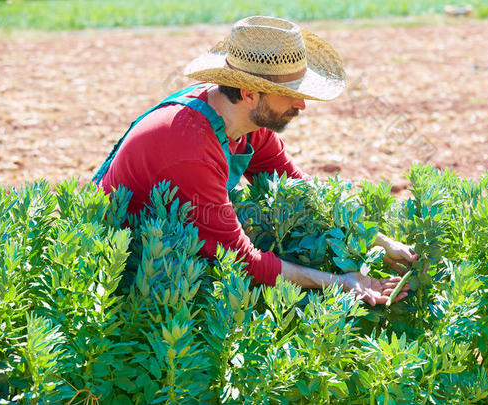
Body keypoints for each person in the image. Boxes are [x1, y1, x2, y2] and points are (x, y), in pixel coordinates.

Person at [93, 15, 421, 306]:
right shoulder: (190, 147)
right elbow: (241, 261)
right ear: (250, 93)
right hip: (124, 265)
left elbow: (299, 189)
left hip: (170, 235)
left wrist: (381, 241)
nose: (301, 104)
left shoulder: (245, 121)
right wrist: (341, 283)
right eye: (290, 93)